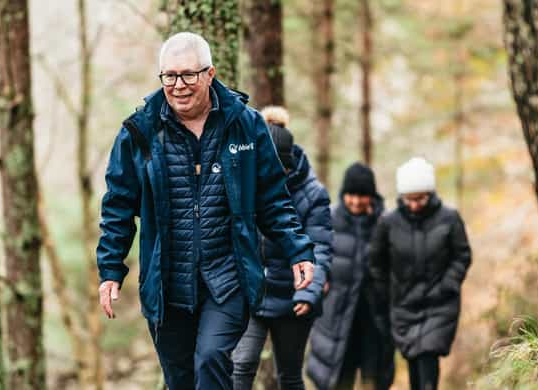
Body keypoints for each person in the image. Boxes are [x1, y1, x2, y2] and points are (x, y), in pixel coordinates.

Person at [95, 32, 316, 390]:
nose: (178, 86)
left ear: (210, 74)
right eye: (169, 76)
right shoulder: (140, 133)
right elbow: (118, 207)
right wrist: (110, 269)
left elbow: (273, 197)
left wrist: (297, 249)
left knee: (212, 361)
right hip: (167, 283)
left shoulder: (246, 125)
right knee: (179, 380)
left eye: (188, 75)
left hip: (227, 279)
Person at [232, 106, 333, 390]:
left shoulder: (313, 195)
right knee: (241, 364)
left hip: (294, 297)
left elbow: (321, 247)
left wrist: (309, 291)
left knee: (288, 375)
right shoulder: (241, 184)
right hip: (251, 294)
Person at [368, 157, 472, 390]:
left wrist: (448, 284)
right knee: (413, 358)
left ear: (430, 193)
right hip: (403, 304)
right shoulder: (388, 223)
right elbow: (376, 261)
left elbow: (462, 256)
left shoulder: (449, 218)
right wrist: (387, 291)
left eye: (420, 198)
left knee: (428, 355)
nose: (414, 205)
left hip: (439, 303)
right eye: (409, 199)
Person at [307, 163, 395, 390]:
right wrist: (320, 275)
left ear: (372, 196)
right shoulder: (328, 219)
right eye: (351, 195)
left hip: (373, 324)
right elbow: (311, 253)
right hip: (336, 321)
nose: (356, 201)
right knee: (339, 383)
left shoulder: (385, 224)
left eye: (362, 196)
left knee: (372, 383)